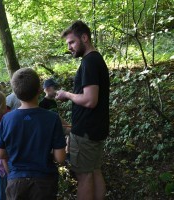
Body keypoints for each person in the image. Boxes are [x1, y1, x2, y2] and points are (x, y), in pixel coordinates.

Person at [56, 20, 110, 200]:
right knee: (94, 171)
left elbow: (90, 100)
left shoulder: (89, 62)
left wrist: (67, 94)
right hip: (94, 129)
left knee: (84, 175)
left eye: (72, 42)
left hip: (86, 132)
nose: (69, 47)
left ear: (84, 38)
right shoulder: (95, 59)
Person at [0, 68, 66, 200]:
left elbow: (0, 153)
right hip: (44, 182)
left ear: (15, 93)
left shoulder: (7, 119)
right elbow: (60, 158)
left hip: (16, 180)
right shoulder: (52, 118)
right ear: (40, 90)